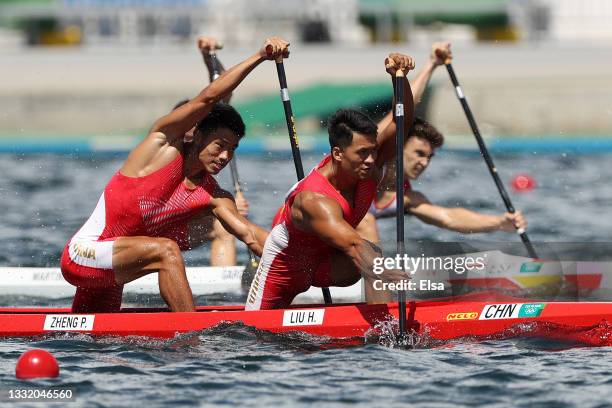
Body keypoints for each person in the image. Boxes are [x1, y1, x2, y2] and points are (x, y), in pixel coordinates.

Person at [60, 37, 290, 313]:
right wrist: (259, 56)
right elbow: (210, 98)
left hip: (111, 272)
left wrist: (308, 259)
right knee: (167, 250)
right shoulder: (161, 146)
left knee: (92, 342)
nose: (225, 157)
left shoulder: (214, 195)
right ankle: (191, 338)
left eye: (233, 150)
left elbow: (251, 236)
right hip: (82, 256)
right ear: (198, 134)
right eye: (220, 146)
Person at [245, 53, 415, 310]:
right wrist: (386, 272)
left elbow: (402, 122)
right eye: (362, 153)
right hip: (283, 270)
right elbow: (354, 244)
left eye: (373, 151)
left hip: (327, 265)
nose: (371, 160)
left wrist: (399, 80)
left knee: (374, 254)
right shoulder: (315, 199)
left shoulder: (368, 163)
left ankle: (384, 327)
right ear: (337, 153)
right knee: (253, 336)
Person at [356, 43, 527, 244]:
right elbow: (401, 113)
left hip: (343, 246)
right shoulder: (371, 154)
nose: (425, 163)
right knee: (364, 220)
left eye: (429, 157)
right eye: (419, 153)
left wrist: (498, 222)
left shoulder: (407, 197)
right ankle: (377, 275)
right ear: (398, 146)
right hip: (316, 220)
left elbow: (449, 218)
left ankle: (377, 272)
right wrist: (424, 67)